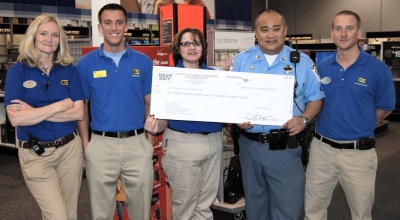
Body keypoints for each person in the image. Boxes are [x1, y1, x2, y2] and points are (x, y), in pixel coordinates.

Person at [230, 10, 325, 220]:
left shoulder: (303, 63)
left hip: (285, 148)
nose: (270, 35)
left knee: (289, 209)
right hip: (249, 148)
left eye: (276, 29)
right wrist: (236, 118)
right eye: (264, 30)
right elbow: (230, 99)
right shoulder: (241, 62)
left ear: (285, 31)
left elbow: (316, 98)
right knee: (255, 208)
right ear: (256, 32)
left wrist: (304, 119)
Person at [76, 3, 164, 220]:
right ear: (100, 27)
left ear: (126, 25)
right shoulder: (86, 64)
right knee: (101, 213)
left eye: (119, 22)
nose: (113, 27)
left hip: (137, 144)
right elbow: (82, 107)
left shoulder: (142, 62)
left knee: (141, 212)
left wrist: (149, 141)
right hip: (100, 145)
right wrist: (87, 145)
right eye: (108, 22)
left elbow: (150, 104)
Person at [304, 10, 395, 220]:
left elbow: (385, 107)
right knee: (313, 212)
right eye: (338, 28)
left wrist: (360, 126)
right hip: (321, 151)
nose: (343, 33)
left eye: (349, 28)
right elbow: (312, 102)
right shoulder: (321, 69)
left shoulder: (378, 69)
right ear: (332, 33)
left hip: (359, 155)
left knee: (361, 214)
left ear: (359, 32)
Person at [4, 14, 84, 219]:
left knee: (69, 213)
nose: (49, 39)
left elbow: (78, 112)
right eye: (44, 33)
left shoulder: (68, 70)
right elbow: (16, 119)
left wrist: (33, 111)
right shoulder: (18, 72)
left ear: (60, 40)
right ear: (33, 36)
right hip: (35, 155)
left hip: (70, 151)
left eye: (55, 35)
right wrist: (58, 107)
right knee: (58, 216)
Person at [161, 27, 224, 220]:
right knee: (185, 206)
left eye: (196, 43)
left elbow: (225, 109)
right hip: (182, 145)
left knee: (205, 204)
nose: (191, 47)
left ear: (203, 48)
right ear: (178, 48)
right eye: (186, 43)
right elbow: (161, 112)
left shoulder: (216, 76)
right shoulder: (168, 78)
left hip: (213, 143)